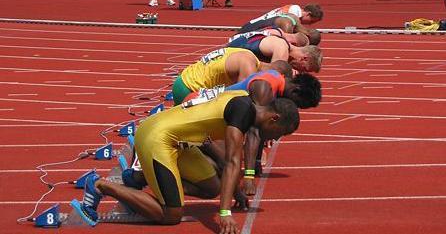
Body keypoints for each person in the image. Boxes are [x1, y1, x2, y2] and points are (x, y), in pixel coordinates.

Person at [75, 92, 299, 231]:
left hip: (178, 142)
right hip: (158, 137)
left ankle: (140, 179)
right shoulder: (242, 114)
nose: (277, 137)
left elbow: (225, 162)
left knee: (214, 187)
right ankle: (100, 185)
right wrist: (224, 213)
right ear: (274, 118)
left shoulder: (243, 98)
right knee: (171, 215)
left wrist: (235, 193)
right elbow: (231, 163)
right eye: (281, 132)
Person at [171, 47, 263, 105]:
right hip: (189, 89)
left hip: (184, 78)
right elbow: (242, 99)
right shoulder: (248, 66)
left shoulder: (248, 54)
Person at [227, 29, 323, 73]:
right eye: (304, 69)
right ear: (304, 58)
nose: (301, 72)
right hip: (226, 60)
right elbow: (271, 79)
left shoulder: (281, 43)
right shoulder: (281, 48)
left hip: (230, 58)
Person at [243, 3, 323, 30]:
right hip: (254, 27)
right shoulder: (295, 10)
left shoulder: (293, 8)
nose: (310, 24)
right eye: (311, 21)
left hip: (256, 27)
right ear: (308, 14)